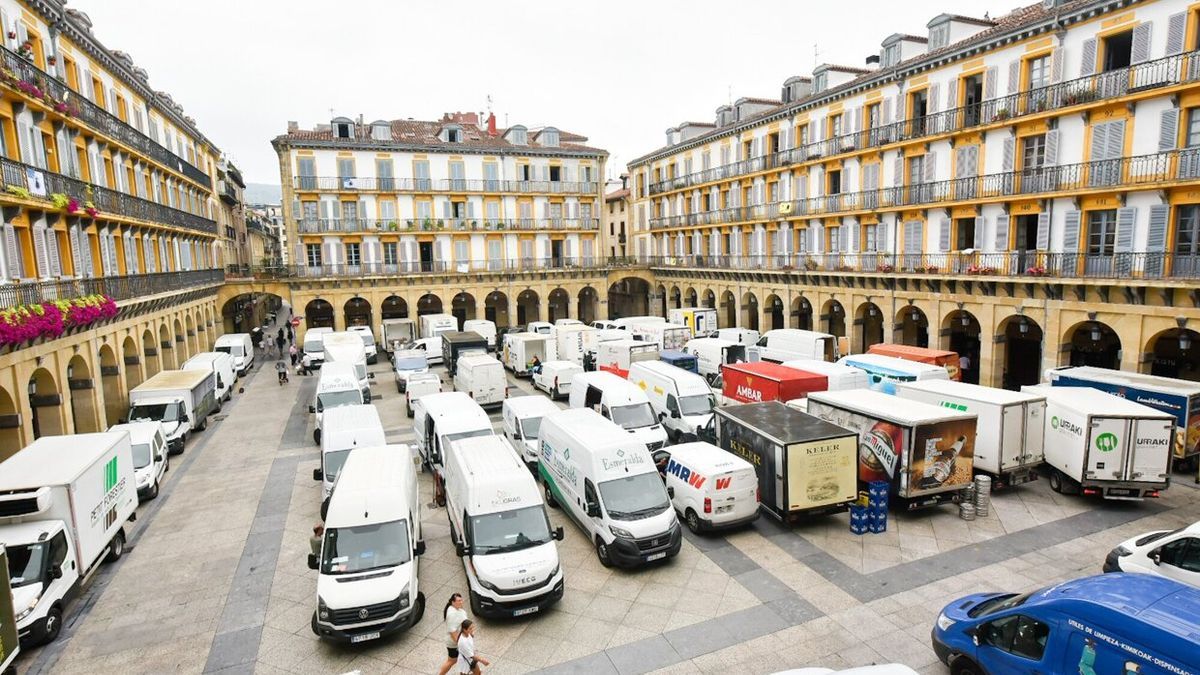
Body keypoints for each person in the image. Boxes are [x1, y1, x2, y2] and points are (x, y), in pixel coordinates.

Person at [437, 594, 469, 675]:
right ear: (453, 602)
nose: (461, 602)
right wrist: (461, 644)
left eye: (461, 600)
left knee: (454, 660)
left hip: (457, 641)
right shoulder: (453, 614)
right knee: (453, 660)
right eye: (459, 601)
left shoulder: (454, 609)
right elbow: (453, 632)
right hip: (454, 643)